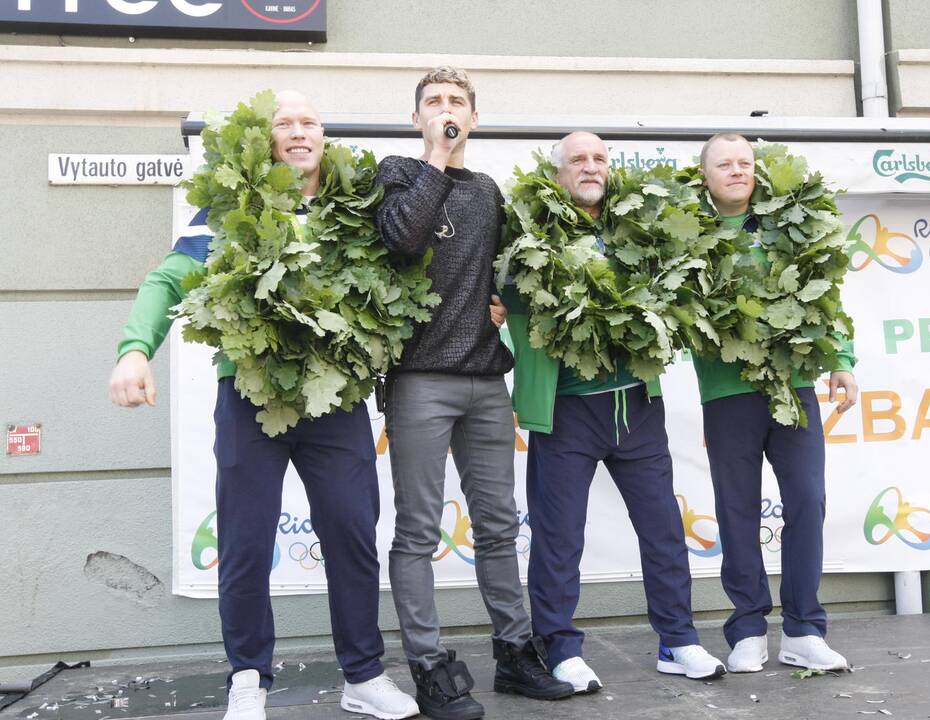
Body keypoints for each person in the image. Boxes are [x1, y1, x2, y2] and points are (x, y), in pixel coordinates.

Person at [109, 91, 419, 720]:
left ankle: (362, 675)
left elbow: (409, 281)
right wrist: (135, 349)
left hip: (336, 400)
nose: (298, 132)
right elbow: (169, 278)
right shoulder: (228, 210)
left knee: (353, 535)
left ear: (324, 138)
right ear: (268, 140)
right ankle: (247, 677)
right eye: (285, 124)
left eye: (310, 122)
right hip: (249, 397)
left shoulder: (357, 209)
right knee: (246, 542)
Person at [375, 66, 573, 720]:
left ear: (475, 118)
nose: (445, 108)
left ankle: (515, 656)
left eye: (456, 102)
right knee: (416, 530)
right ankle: (430, 669)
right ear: (416, 118)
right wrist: (436, 155)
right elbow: (402, 238)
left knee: (496, 526)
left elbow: (514, 276)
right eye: (433, 102)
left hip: (487, 381)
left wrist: (502, 309)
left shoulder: (489, 191)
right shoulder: (398, 173)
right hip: (418, 381)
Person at [502, 131, 726, 694]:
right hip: (565, 408)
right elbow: (500, 291)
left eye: (599, 158)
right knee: (559, 537)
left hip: (637, 404)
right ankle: (558, 647)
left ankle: (678, 639)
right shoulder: (526, 232)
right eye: (577, 159)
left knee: (663, 529)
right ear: (557, 174)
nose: (590, 166)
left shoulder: (638, 226)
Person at [693, 133, 858, 673]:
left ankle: (804, 630)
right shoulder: (687, 236)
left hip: (794, 387)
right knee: (737, 511)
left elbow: (826, 294)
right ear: (706, 176)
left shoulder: (791, 222)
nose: (737, 171)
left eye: (745, 162)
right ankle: (747, 631)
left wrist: (842, 360)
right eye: (725, 164)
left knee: (808, 502)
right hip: (727, 391)